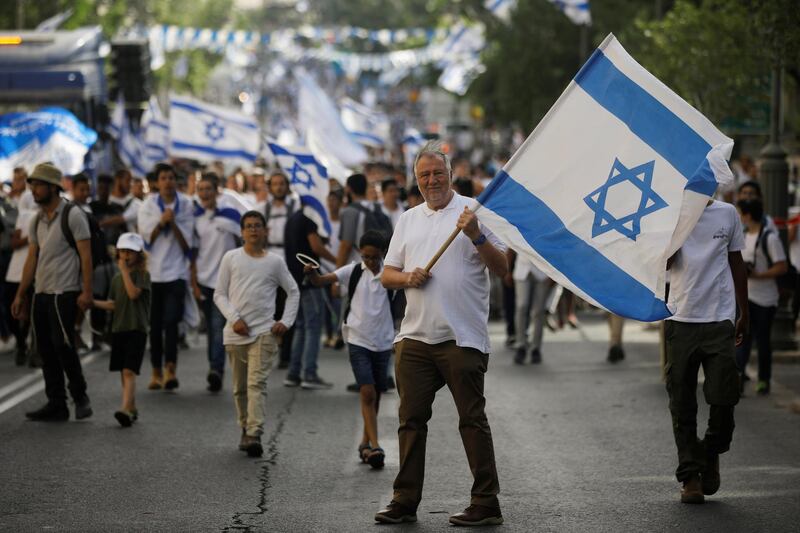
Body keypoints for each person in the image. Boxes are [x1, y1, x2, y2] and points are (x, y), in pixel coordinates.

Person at [375, 141, 508, 526]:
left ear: (451, 174)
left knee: (472, 420)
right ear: (415, 180)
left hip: (461, 338)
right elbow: (387, 275)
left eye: (437, 173)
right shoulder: (408, 218)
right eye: (423, 175)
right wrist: (407, 277)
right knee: (410, 422)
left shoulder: (474, 212)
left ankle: (486, 503)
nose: (431, 180)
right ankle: (404, 500)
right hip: (415, 339)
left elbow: (501, 268)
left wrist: (477, 235)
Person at [665, 198, 748, 504]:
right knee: (682, 402)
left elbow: (736, 262)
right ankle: (689, 476)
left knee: (724, 396)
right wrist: (679, 223)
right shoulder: (674, 210)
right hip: (680, 319)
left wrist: (744, 312)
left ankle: (710, 451)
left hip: (719, 318)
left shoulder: (727, 213)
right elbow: (665, 262)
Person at [305, 230, 395, 469]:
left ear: (383, 254)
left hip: (384, 341)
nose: (370, 261)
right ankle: (375, 445)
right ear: (359, 252)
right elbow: (323, 281)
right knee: (367, 391)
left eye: (374, 257)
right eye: (365, 256)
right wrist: (312, 274)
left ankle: (365, 442)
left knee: (375, 392)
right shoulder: (352, 271)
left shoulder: (390, 273)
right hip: (357, 339)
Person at [11, 162, 94, 421]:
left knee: (64, 346)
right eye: (33, 185)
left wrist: (87, 292)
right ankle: (56, 403)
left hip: (64, 292)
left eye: (39, 185)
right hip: (42, 293)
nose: (34, 189)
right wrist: (21, 294)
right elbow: (32, 258)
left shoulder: (73, 215)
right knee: (45, 350)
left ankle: (80, 397)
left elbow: (86, 255)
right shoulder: (37, 219)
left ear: (53, 188)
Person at [214, 211, 299, 457]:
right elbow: (219, 294)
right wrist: (235, 319)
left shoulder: (274, 262)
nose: (253, 230)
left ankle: (254, 432)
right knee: (239, 387)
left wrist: (285, 321)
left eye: (257, 226)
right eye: (248, 226)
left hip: (264, 332)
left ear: (265, 231)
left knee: (256, 383)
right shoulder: (231, 258)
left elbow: (293, 291)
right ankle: (245, 427)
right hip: (236, 332)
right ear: (241, 232)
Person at [138, 163, 194, 391]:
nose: (168, 182)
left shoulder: (187, 204)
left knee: (172, 323)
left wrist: (174, 223)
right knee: (155, 325)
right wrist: (161, 222)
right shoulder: (147, 206)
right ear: (157, 182)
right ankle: (156, 371)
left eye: (171, 177)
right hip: (153, 274)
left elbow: (187, 244)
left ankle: (171, 368)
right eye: (163, 178)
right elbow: (146, 240)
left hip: (177, 273)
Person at [93, 233, 151, 427]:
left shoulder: (142, 275)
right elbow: (113, 304)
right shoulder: (117, 278)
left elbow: (134, 294)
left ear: (139, 254)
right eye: (123, 251)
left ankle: (124, 408)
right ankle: (131, 407)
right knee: (123, 372)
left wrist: (125, 272)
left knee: (129, 370)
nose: (126, 255)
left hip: (137, 327)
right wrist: (92, 303)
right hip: (120, 328)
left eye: (131, 252)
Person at [193, 173, 242, 392]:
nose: (204, 193)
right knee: (211, 329)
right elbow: (192, 253)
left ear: (216, 191)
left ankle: (216, 369)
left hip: (225, 281)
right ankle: (214, 366)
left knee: (216, 325)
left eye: (208, 189)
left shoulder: (230, 215)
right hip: (203, 279)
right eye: (201, 189)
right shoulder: (196, 217)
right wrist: (193, 281)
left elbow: (244, 242)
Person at [283, 202, 337, 389]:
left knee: (301, 327)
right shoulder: (308, 221)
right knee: (313, 327)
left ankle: (293, 373)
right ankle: (309, 374)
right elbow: (316, 247)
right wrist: (338, 261)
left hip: (294, 280)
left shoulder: (292, 219)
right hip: (309, 279)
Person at [735, 198, 786, 395]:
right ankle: (738, 379)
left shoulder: (770, 238)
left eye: (741, 213)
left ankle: (764, 380)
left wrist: (758, 275)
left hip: (766, 299)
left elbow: (781, 266)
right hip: (746, 297)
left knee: (763, 341)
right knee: (743, 341)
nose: (739, 217)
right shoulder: (743, 236)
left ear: (748, 215)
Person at [512, 253, 553, 364]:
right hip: (522, 269)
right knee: (521, 306)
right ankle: (520, 344)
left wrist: (552, 273)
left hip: (542, 271)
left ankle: (536, 348)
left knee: (538, 311)